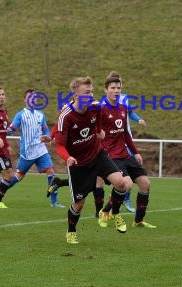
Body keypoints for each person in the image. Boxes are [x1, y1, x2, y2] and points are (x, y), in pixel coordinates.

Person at [48, 76, 133, 244]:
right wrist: (68, 157)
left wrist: (99, 131)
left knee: (121, 183)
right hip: (78, 163)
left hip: (97, 154)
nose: (91, 95)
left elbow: (99, 119)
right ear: (76, 96)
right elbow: (59, 146)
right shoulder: (67, 115)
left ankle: (113, 213)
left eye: (92, 91)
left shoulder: (95, 107)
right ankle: (71, 231)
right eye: (87, 92)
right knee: (79, 204)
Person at [97, 74, 156, 228]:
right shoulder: (101, 110)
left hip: (125, 153)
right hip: (111, 156)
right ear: (106, 90)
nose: (116, 91)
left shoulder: (123, 109)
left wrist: (135, 152)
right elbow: (94, 132)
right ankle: (106, 211)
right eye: (113, 88)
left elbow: (125, 134)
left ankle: (138, 220)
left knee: (145, 183)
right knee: (127, 185)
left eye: (118, 88)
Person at [6, 89, 64, 208]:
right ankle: (1, 190)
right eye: (29, 97)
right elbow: (11, 128)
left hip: (41, 150)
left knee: (51, 172)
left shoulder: (40, 114)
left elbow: (45, 129)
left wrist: (46, 136)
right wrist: (5, 131)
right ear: (25, 100)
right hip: (27, 152)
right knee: (19, 176)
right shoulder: (20, 115)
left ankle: (54, 202)